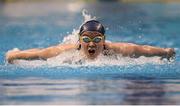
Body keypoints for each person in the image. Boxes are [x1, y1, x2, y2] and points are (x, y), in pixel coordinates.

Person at [6, 20, 175, 64]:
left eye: (97, 39)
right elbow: (39, 53)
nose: (91, 44)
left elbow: (142, 49)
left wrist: (166, 52)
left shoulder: (116, 49)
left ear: (104, 41)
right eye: (86, 39)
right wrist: (14, 55)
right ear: (80, 41)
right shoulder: (68, 51)